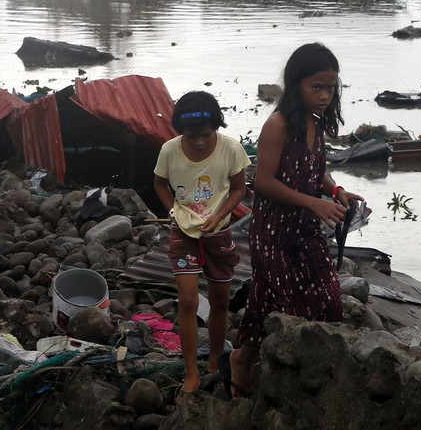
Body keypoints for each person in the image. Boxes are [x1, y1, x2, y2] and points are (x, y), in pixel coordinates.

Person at [225, 42, 362, 398]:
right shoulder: (278, 124)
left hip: (304, 229)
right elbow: (264, 182)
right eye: (316, 87)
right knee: (284, 303)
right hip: (273, 231)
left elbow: (315, 171)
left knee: (328, 301)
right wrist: (314, 205)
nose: (324, 95)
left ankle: (257, 362)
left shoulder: (315, 124)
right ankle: (251, 365)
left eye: (330, 87)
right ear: (295, 84)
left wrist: (335, 192)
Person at [152, 91, 251, 404]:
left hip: (219, 235)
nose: (197, 142)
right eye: (190, 135)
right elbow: (159, 183)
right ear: (181, 131)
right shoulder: (169, 150)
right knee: (187, 301)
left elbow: (239, 189)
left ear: (217, 127)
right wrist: (173, 212)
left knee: (221, 302)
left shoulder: (231, 149)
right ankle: (192, 371)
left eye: (205, 135)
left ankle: (215, 360)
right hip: (183, 236)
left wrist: (220, 215)